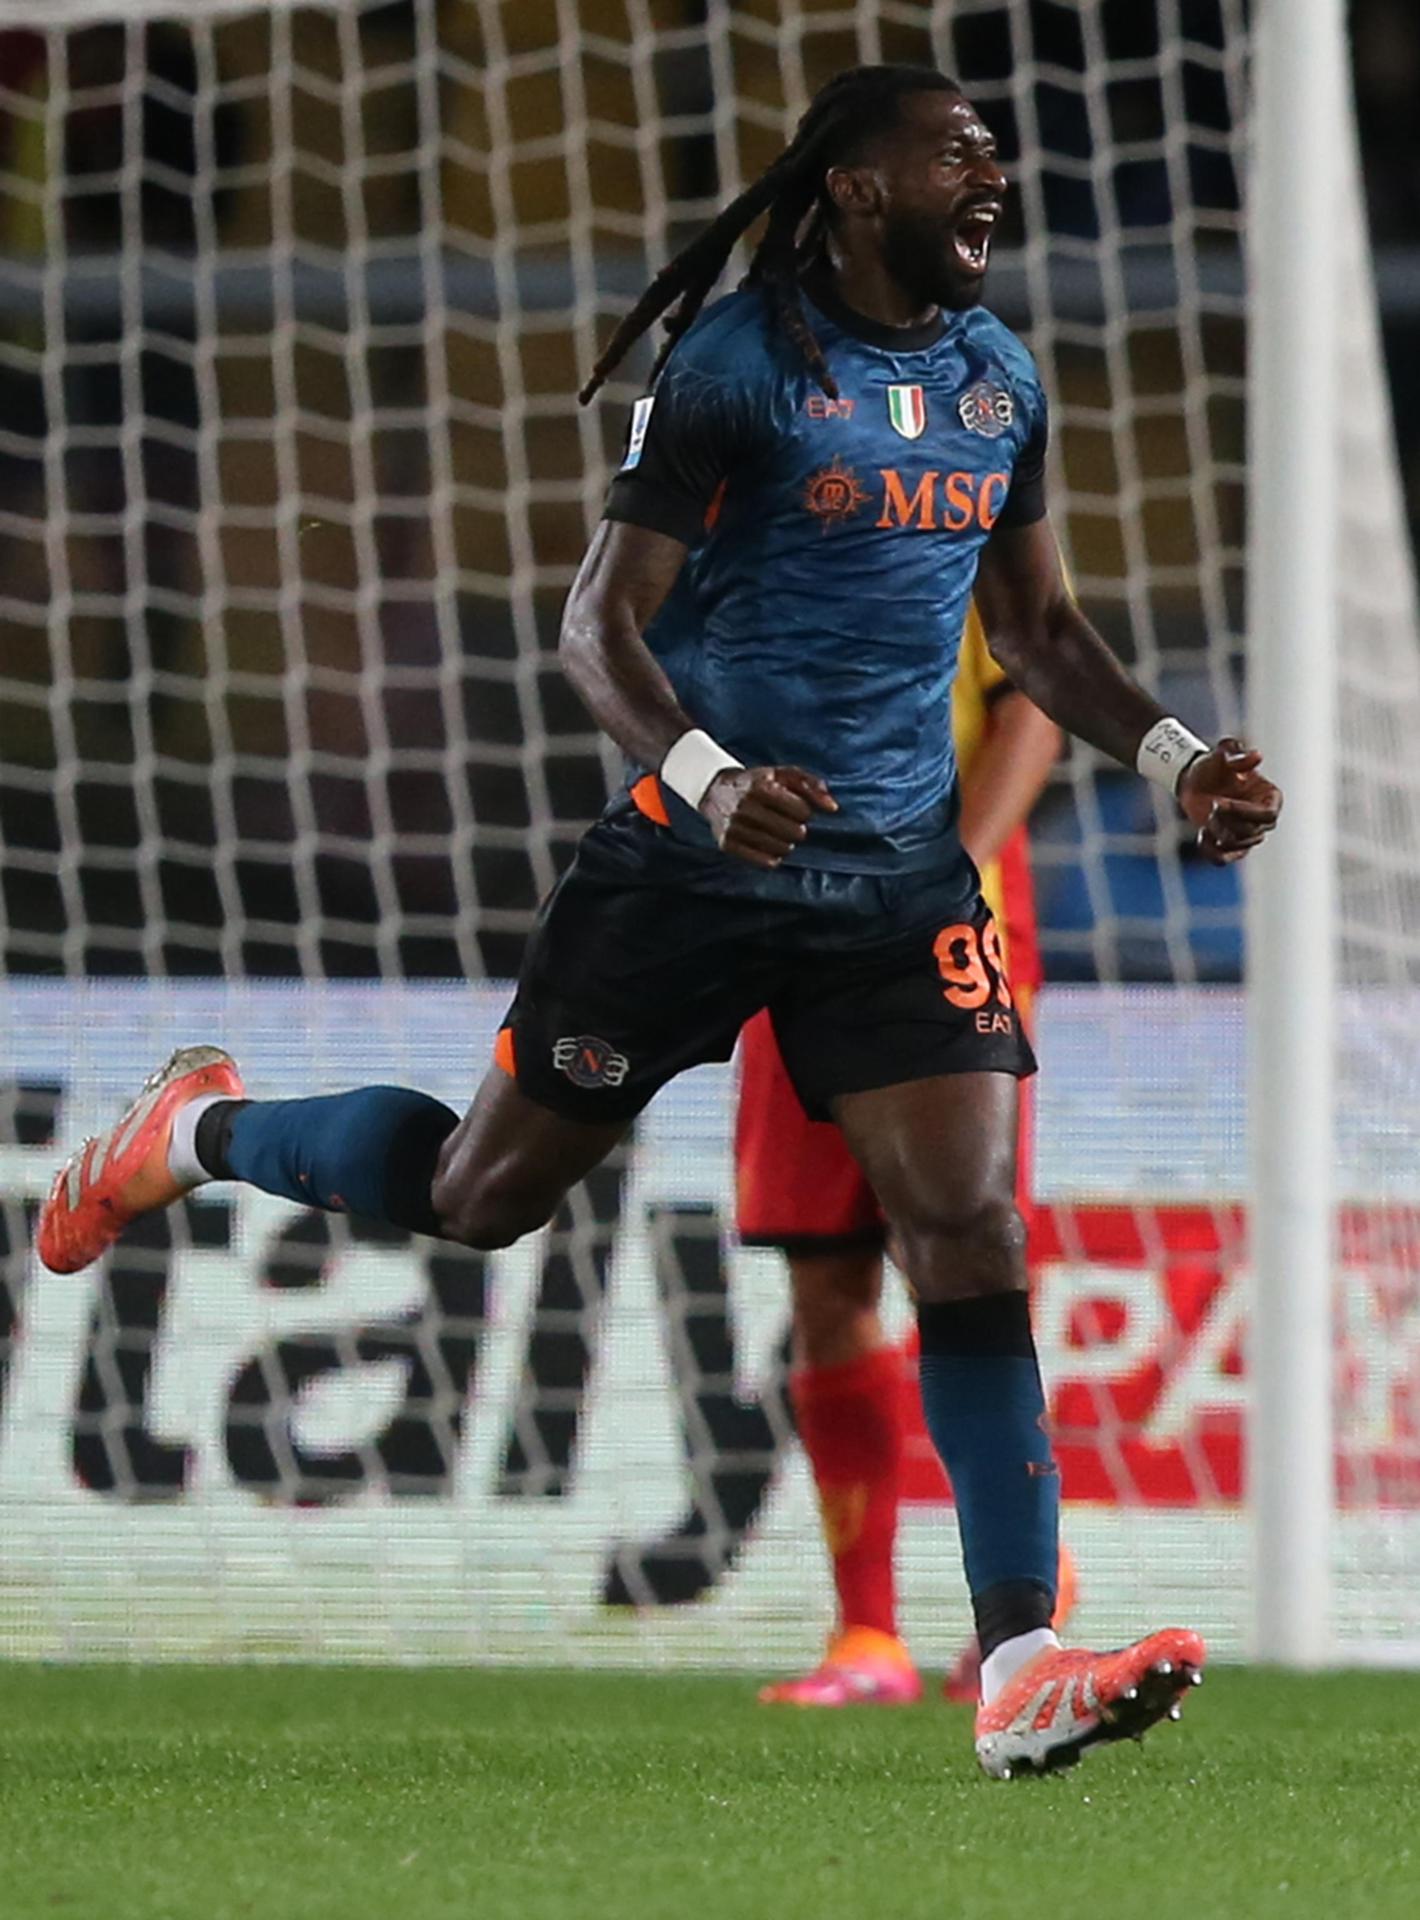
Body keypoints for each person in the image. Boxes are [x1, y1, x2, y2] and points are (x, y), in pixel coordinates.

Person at [38, 64, 1280, 1779]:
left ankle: (1016, 1660)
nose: (993, 180)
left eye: (998, 157)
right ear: (852, 187)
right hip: (689, 874)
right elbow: (591, 630)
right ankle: (203, 1128)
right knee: (482, 1200)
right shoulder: (734, 368)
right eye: (957, 157)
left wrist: (1172, 755)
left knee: (971, 1232)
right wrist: (702, 777)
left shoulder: (999, 380)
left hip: (900, 880)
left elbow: (1042, 626)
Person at [742, 613, 1072, 1708]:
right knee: (824, 1271)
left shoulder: (968, 488)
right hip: (791, 922)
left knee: (963, 1263)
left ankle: (1026, 1591)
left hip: (952, 922)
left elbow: (1036, 702)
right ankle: (866, 1637)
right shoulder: (731, 506)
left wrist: (955, 868)